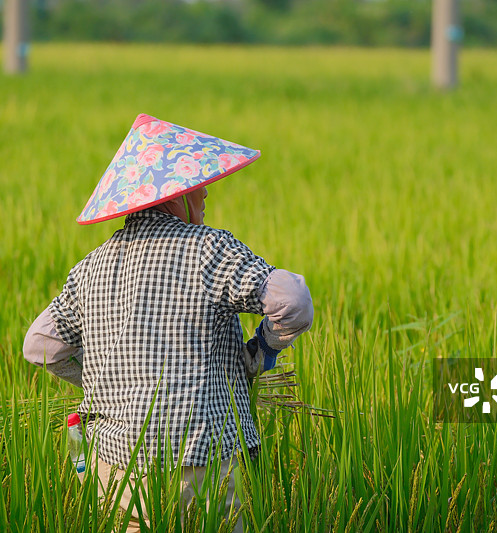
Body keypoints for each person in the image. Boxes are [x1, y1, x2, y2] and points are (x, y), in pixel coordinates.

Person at [22, 114, 313, 532]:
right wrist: (260, 352)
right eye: (197, 184)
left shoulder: (90, 267)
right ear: (173, 196)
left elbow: (40, 345)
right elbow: (293, 301)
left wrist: (107, 380)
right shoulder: (209, 249)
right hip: (200, 465)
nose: (206, 191)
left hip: (116, 472)